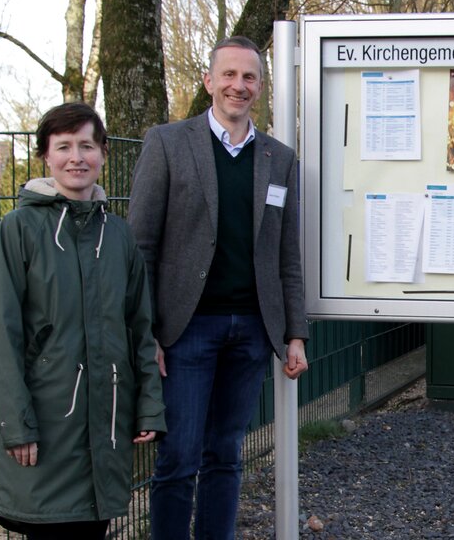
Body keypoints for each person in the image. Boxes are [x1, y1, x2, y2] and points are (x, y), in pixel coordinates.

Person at [129, 36, 309, 539]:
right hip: (186, 331)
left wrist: (295, 332)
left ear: (260, 85)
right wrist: (145, 338)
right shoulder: (167, 143)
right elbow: (139, 248)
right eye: (228, 75)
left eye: (249, 76)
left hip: (251, 331)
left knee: (226, 455)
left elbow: (286, 254)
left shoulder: (279, 158)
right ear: (209, 81)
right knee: (179, 457)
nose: (239, 85)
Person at [0, 103, 165, 539]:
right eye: (64, 146)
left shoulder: (118, 235)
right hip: (46, 425)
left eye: (87, 145)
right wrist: (16, 424)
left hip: (107, 425)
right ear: (46, 155)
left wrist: (150, 408)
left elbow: (141, 330)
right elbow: (1, 335)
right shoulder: (18, 229)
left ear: (103, 153)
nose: (76, 157)